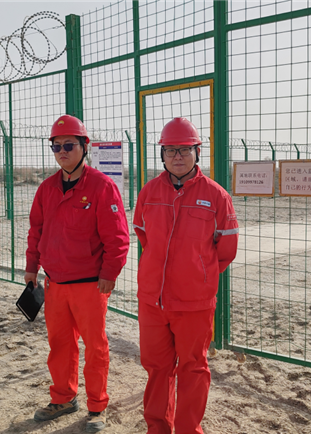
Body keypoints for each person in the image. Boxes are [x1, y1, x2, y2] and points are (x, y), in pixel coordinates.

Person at [133, 117, 239, 434]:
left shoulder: (217, 196)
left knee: (193, 368)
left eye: (184, 149)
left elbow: (226, 249)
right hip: (153, 300)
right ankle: (157, 428)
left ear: (197, 152)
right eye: (170, 150)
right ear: (162, 154)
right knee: (157, 367)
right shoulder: (149, 192)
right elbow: (143, 234)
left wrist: (198, 274)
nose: (177, 156)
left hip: (194, 303)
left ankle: (188, 430)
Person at [24, 114, 129, 433]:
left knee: (95, 347)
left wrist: (110, 273)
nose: (62, 152)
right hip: (54, 284)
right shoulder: (47, 188)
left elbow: (118, 237)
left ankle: (97, 406)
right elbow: (36, 230)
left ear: (85, 147)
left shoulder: (102, 186)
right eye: (56, 146)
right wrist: (31, 267)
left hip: (90, 286)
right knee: (60, 345)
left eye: (68, 145)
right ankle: (63, 398)